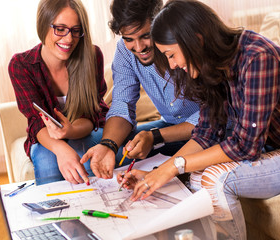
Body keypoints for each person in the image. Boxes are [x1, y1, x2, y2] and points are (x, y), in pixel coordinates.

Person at [117, 0, 280, 239]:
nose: (172, 65)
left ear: (196, 39)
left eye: (171, 55)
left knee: (216, 180)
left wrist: (173, 167)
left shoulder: (258, 58)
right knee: (195, 175)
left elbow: (245, 145)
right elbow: (206, 133)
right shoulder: (209, 65)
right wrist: (158, 172)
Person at [80, 0, 200, 179]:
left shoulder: (183, 40)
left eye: (145, 35)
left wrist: (156, 137)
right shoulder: (125, 51)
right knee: (118, 152)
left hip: (211, 131)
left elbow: (212, 121)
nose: (139, 47)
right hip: (169, 127)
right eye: (129, 39)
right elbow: (122, 104)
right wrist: (109, 145)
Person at [8, 0, 109, 185]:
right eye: (60, 29)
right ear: (42, 25)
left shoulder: (92, 56)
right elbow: (36, 121)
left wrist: (70, 131)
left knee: (83, 156)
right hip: (46, 136)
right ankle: (53, 212)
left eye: (76, 30)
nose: (69, 39)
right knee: (47, 161)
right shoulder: (21, 65)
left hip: (85, 130)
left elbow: (93, 114)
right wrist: (61, 149)